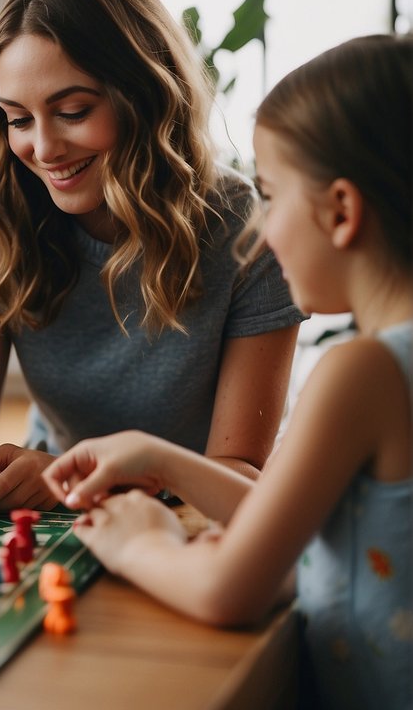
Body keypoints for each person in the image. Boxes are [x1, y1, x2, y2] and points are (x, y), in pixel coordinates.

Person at [43, 34, 412, 710]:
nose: (259, 233)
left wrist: (139, 545)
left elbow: (226, 591)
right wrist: (163, 459)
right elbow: (301, 518)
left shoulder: (361, 373)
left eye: (270, 197)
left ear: (340, 210)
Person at [0, 0, 303, 512]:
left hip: (196, 513)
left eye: (72, 111)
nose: (43, 150)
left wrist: (82, 480)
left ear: (144, 96)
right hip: (57, 507)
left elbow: (238, 474)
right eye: (18, 119)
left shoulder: (243, 229)